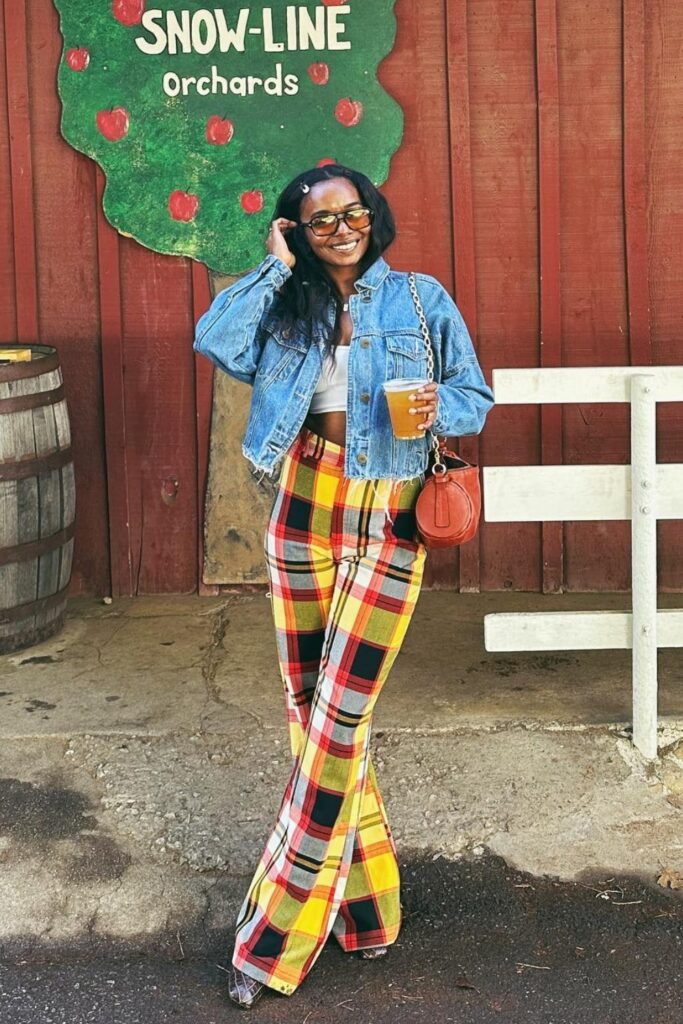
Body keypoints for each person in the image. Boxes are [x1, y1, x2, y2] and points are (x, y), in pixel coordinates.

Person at [193, 164, 494, 1008]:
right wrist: (273, 267)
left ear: (374, 216)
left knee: (339, 718)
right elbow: (216, 341)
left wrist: (440, 405)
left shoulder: (421, 297)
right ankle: (366, 914)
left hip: (389, 515)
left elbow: (475, 395)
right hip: (302, 507)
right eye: (318, 220)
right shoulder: (286, 300)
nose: (339, 228)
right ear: (295, 229)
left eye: (351, 213)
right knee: (307, 709)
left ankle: (269, 944)